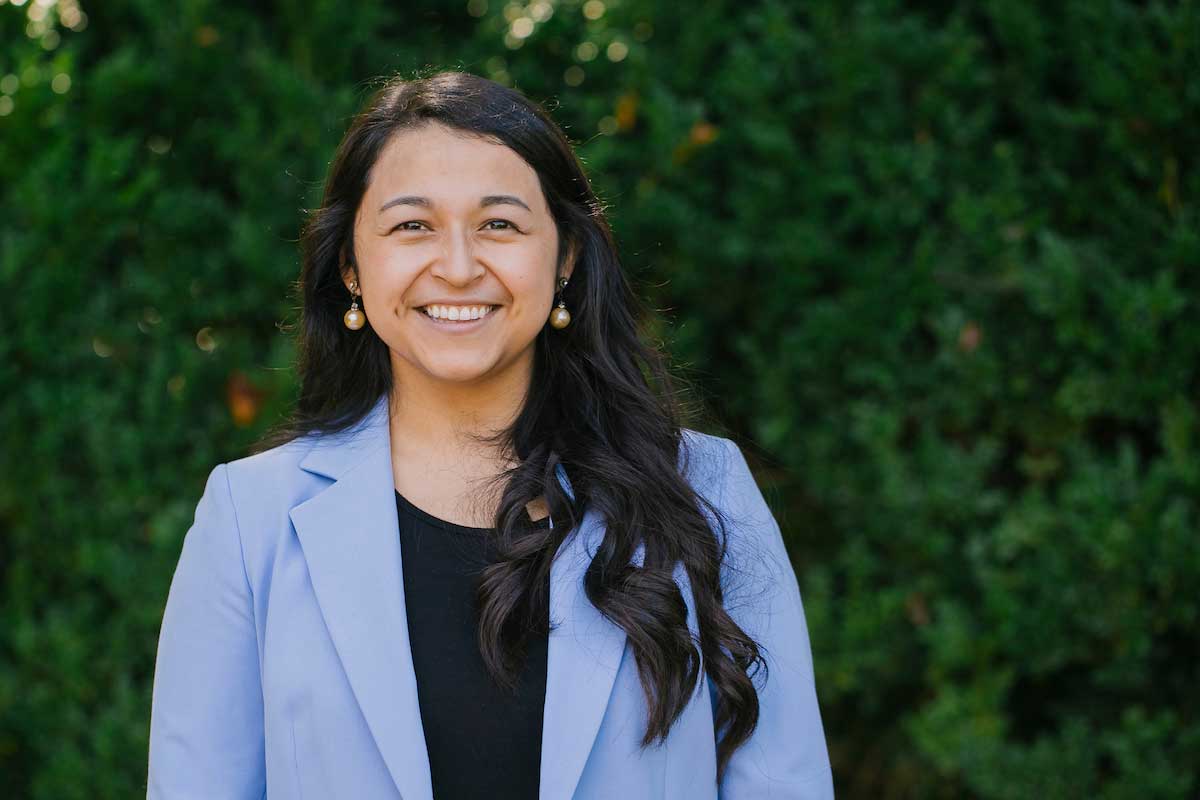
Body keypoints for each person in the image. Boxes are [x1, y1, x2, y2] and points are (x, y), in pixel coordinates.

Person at [146, 69, 834, 800]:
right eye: (412, 225)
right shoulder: (251, 520)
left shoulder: (703, 490)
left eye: (499, 224)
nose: (458, 266)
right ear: (351, 266)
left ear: (565, 258)